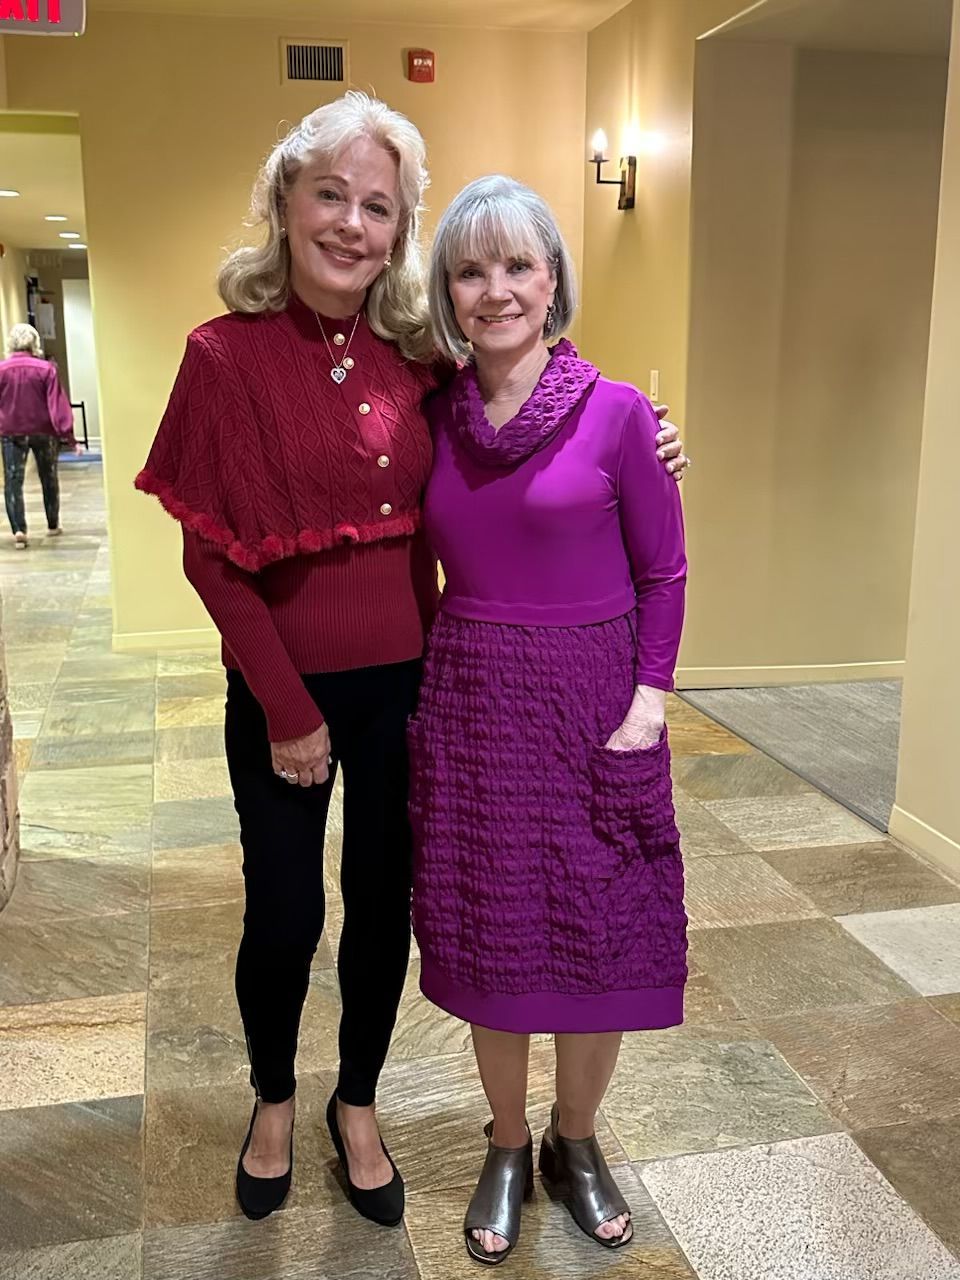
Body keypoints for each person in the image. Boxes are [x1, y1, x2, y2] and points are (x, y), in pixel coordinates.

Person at [137, 93, 689, 1228]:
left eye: (376, 205)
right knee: (287, 912)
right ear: (284, 203)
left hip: (417, 688)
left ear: (398, 233)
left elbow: (544, 395)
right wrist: (286, 707)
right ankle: (275, 1098)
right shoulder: (223, 355)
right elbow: (209, 558)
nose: (349, 221)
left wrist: (650, 430)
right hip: (294, 695)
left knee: (387, 903)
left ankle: (361, 1101)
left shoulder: (412, 358)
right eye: (327, 195)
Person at [409, 175, 688, 1265]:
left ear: (555, 276)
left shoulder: (619, 413)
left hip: (594, 705)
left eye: (518, 264)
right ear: (448, 291)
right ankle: (508, 1141)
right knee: (495, 927)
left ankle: (578, 1138)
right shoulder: (433, 415)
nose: (496, 289)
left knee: (601, 927)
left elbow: (663, 566)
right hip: (476, 703)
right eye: (471, 269)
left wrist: (648, 700)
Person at [0, 323, 80, 547]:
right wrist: (69, 436)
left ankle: (19, 531)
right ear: (34, 343)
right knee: (49, 477)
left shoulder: (1, 370)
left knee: (13, 481)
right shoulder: (47, 369)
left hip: (11, 431)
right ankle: (52, 525)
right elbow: (58, 406)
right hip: (44, 431)